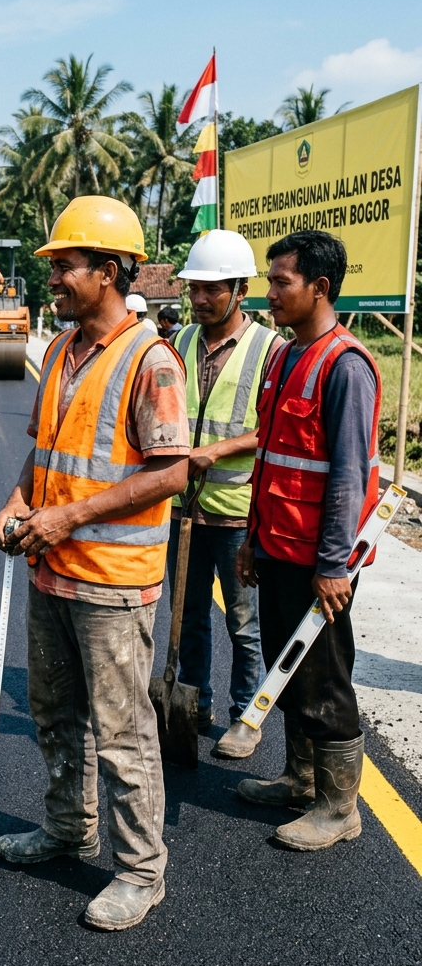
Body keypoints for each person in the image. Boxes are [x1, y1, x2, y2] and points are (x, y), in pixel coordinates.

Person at [0, 196, 189, 931]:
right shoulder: (60, 349)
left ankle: (141, 871)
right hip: (51, 574)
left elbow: (171, 473)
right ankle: (68, 828)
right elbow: (45, 449)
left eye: (66, 264)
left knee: (123, 731)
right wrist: (17, 500)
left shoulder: (152, 361)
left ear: (108, 272)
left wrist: (69, 516)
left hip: (111, 585)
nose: (55, 276)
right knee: (55, 712)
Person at [235, 230, 380, 851]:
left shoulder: (345, 365)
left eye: (280, 283)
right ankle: (300, 777)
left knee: (325, 679)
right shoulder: (283, 356)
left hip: (318, 561)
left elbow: (347, 476)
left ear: (320, 287)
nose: (269, 295)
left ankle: (340, 805)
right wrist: (251, 538)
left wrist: (332, 566)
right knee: (285, 669)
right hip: (277, 546)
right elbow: (269, 458)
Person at [168, 230, 282, 759]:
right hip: (182, 510)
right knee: (186, 616)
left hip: (237, 515)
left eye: (211, 289)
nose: (198, 299)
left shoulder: (269, 350)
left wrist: (217, 452)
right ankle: (194, 701)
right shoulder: (183, 342)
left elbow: (275, 430)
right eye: (194, 288)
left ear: (240, 290)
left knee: (244, 623)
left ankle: (245, 715)